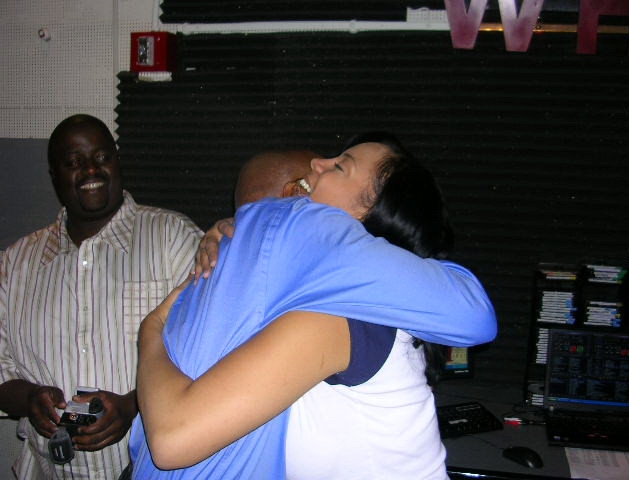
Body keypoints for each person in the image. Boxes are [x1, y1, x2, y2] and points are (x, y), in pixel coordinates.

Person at [130, 131, 497, 478]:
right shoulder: (327, 290)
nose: (318, 163)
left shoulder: (334, 318)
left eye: (340, 167)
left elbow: (173, 439)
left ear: (360, 222)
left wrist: (151, 332)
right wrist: (235, 233)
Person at [0, 114, 203, 479]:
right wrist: (30, 399)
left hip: (146, 469)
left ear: (117, 160)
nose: (91, 170)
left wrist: (134, 404)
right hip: (47, 470)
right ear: (55, 175)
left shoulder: (174, 239)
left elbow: (211, 351)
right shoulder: (16, 263)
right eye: (74, 162)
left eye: (101, 157)